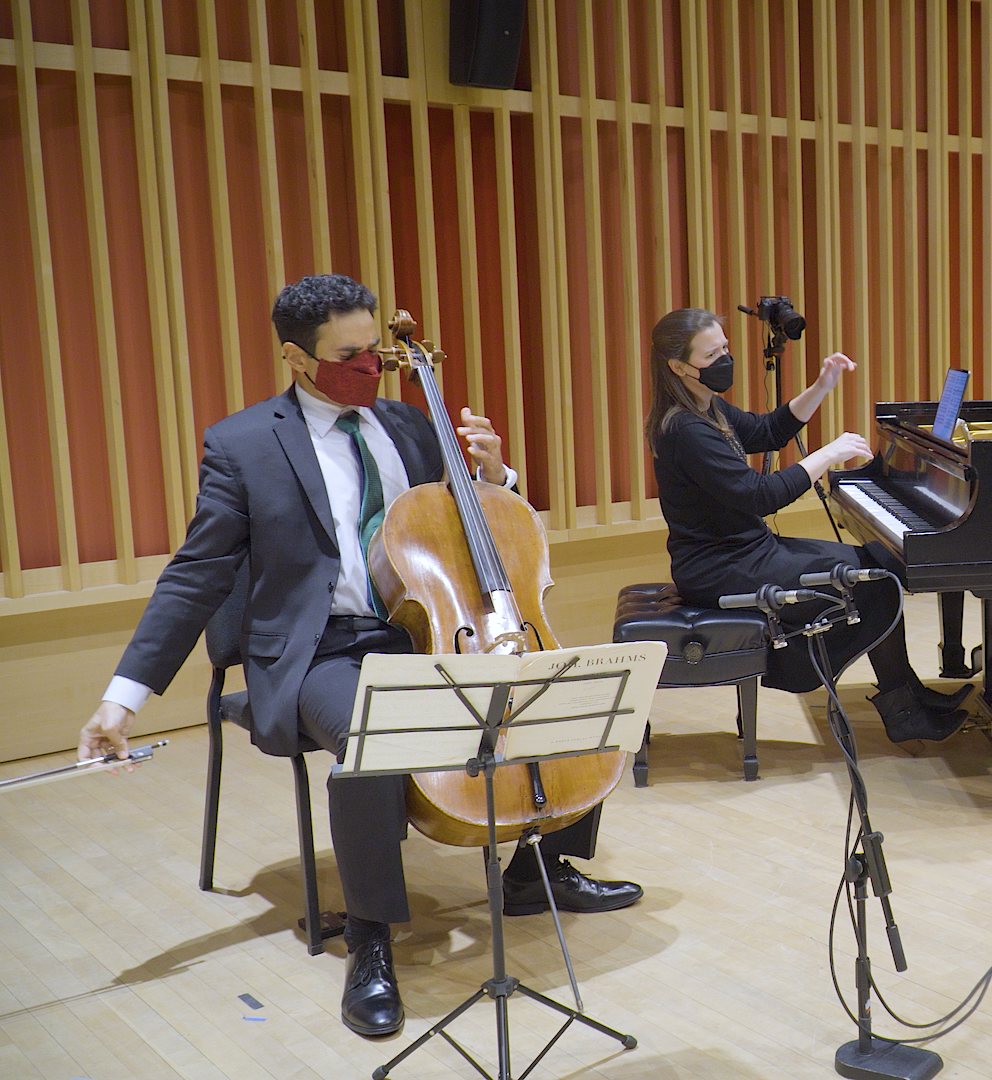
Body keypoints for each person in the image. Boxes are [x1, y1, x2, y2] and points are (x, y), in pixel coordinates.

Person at [76, 274, 640, 1039]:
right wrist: (124, 696)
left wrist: (495, 473)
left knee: (572, 694)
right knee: (375, 743)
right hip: (323, 650)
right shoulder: (243, 444)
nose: (372, 367)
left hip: (426, 630)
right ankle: (371, 939)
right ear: (296, 358)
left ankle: (538, 874)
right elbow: (197, 574)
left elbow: (481, 526)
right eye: (351, 355)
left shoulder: (410, 426)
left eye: (377, 350)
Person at [646, 307, 972, 741]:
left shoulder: (706, 407)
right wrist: (828, 454)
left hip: (746, 551)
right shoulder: (685, 430)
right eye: (713, 355)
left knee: (880, 564)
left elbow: (766, 431)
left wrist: (822, 386)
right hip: (720, 569)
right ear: (679, 366)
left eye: (726, 347)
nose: (726, 359)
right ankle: (902, 711)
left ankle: (907, 694)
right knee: (876, 582)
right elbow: (761, 496)